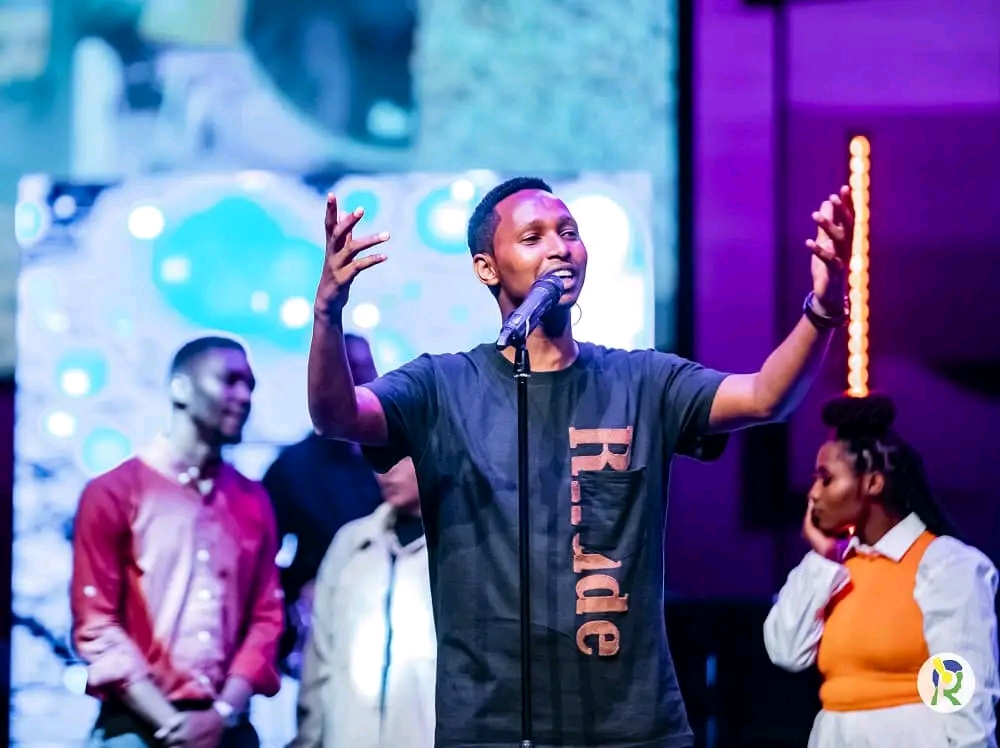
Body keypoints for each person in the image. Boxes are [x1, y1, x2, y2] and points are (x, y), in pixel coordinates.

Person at [306, 176, 854, 747]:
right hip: (491, 727)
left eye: (569, 233)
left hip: (632, 728)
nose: (559, 248)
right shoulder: (442, 386)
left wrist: (821, 309)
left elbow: (765, 397)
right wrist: (327, 312)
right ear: (486, 268)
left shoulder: (642, 381)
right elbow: (336, 416)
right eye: (533, 237)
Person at [71, 336, 284, 748]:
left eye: (250, 385)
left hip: (227, 726)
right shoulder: (114, 492)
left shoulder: (253, 501)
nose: (244, 396)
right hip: (136, 725)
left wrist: (220, 715)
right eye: (230, 380)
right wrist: (175, 725)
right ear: (180, 388)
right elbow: (97, 624)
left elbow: (267, 617)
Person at [763, 394, 999, 748]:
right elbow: (786, 651)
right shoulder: (833, 570)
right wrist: (825, 556)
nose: (812, 494)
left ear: (873, 483)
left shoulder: (943, 564)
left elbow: (963, 698)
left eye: (826, 479)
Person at [291, 456, 435, 748]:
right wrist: (309, 738)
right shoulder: (351, 543)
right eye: (378, 459)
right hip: (349, 736)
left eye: (398, 458)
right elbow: (320, 657)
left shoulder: (461, 548)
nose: (384, 472)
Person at [262, 333, 384, 675]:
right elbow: (261, 560)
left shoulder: (402, 457)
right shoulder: (293, 468)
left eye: (366, 368)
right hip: (322, 629)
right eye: (349, 369)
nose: (360, 379)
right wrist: (296, 593)